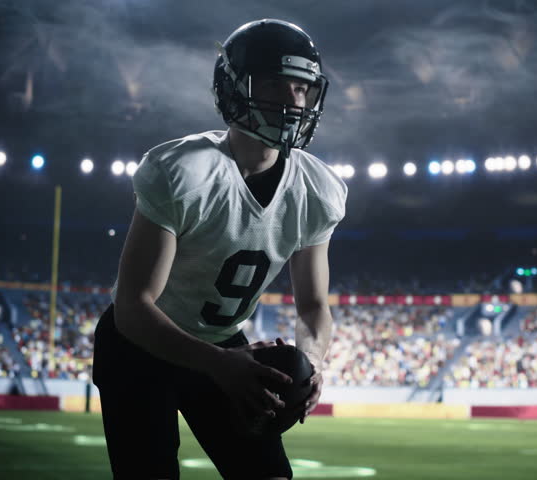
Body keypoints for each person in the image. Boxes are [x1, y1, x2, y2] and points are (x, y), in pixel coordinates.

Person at [92, 19, 347, 479]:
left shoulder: (318, 188)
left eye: (302, 88)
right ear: (234, 90)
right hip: (139, 346)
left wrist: (311, 362)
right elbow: (132, 307)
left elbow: (313, 306)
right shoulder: (183, 172)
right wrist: (219, 365)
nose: (293, 101)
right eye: (275, 85)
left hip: (225, 346)